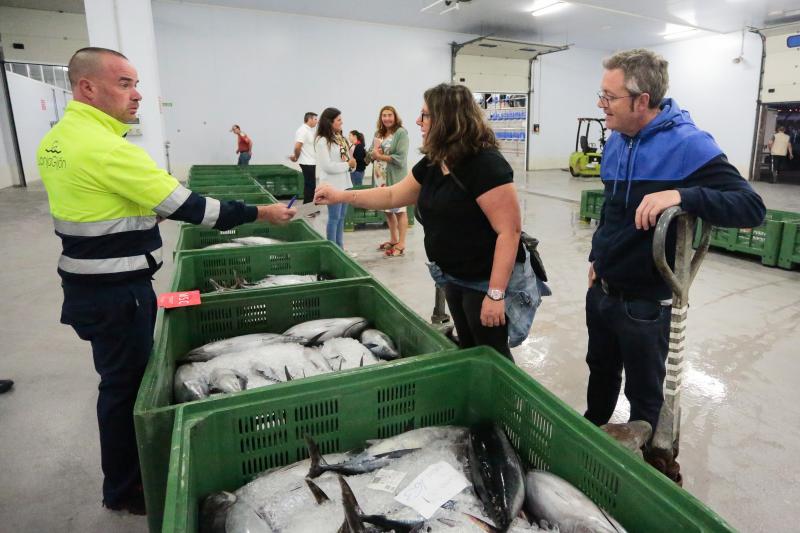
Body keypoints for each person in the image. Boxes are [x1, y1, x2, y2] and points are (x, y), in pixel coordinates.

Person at [36, 47, 295, 515]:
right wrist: (264, 212)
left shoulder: (57, 140)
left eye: (136, 84)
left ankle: (123, 482)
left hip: (86, 286)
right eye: (124, 84)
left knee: (117, 384)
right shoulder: (106, 148)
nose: (137, 95)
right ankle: (126, 489)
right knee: (125, 391)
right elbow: (195, 210)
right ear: (86, 87)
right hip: (118, 293)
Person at [585, 49, 766, 434]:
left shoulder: (688, 144)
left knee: (644, 394)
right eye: (601, 95)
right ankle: (589, 440)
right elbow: (613, 209)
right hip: (603, 289)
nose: (602, 105)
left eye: (609, 97)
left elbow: (751, 208)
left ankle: (651, 464)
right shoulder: (617, 138)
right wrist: (596, 257)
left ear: (642, 100)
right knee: (599, 373)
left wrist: (683, 195)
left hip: (645, 304)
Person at [316, 84, 545, 359]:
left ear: (447, 119)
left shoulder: (486, 165)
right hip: (451, 277)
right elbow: (391, 194)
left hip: (483, 281)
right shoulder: (435, 162)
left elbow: (509, 231)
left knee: (492, 356)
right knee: (470, 350)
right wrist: (341, 195)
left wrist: (495, 295)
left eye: (425, 115)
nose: (418, 121)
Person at [366, 106, 409, 257]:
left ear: (395, 117)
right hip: (380, 178)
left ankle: (402, 243)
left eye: (390, 115)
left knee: (399, 211)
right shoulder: (378, 133)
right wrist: (372, 154)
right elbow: (371, 152)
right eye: (384, 115)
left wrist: (380, 156)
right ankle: (393, 239)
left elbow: (400, 159)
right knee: (387, 210)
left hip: (395, 178)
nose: (387, 118)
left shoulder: (401, 133)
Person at [315, 107, 356, 248]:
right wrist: (347, 164)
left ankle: (340, 247)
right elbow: (327, 166)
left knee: (341, 218)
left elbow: (347, 160)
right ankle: (333, 249)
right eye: (339, 120)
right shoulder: (322, 141)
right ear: (329, 122)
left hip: (344, 184)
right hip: (332, 185)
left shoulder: (339, 138)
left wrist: (352, 164)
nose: (341, 122)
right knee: (334, 218)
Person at [290, 112, 319, 203]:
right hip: (306, 162)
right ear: (309, 119)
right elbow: (298, 146)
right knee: (310, 186)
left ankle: (309, 207)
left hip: (311, 162)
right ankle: (308, 208)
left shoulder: (310, 130)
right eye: (315, 119)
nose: (316, 121)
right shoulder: (303, 130)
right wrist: (296, 157)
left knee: (311, 186)